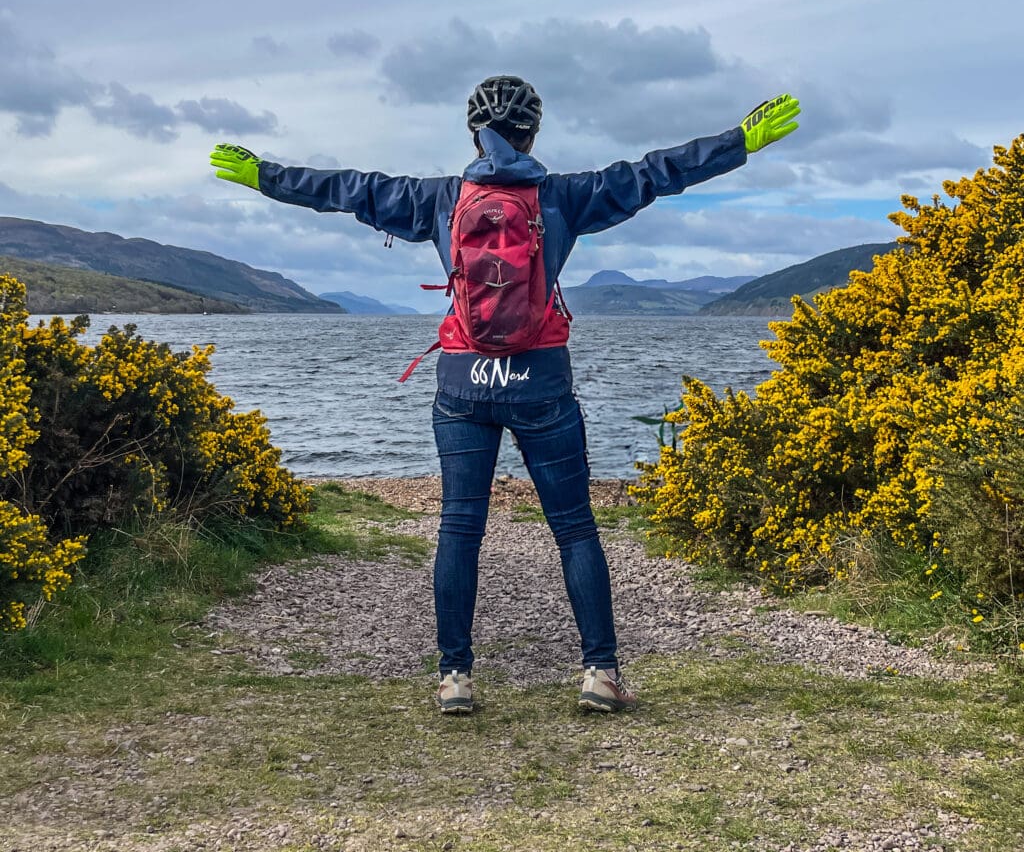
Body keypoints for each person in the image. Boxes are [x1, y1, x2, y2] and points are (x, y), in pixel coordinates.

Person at [210, 77, 800, 714]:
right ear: (533, 134)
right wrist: (738, 142)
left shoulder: (436, 199)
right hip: (541, 380)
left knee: (460, 527)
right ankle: (600, 674)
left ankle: (455, 678)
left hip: (463, 381)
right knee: (574, 528)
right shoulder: (566, 195)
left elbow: (348, 188)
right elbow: (655, 173)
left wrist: (264, 176)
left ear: (474, 134)